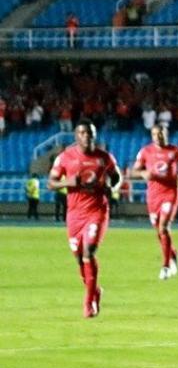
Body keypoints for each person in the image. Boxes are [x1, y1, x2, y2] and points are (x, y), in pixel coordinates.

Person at [47, 121, 121, 318]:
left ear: (94, 135)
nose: (86, 136)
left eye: (90, 132)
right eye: (82, 132)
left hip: (97, 211)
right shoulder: (65, 157)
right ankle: (95, 290)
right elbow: (50, 183)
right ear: (76, 136)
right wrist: (69, 182)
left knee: (89, 251)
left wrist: (112, 188)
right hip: (74, 214)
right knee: (79, 257)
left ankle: (89, 303)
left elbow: (117, 177)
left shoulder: (104, 158)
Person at [132, 125, 178, 279]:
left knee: (163, 226)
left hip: (169, 193)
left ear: (166, 134)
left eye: (160, 133)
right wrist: (143, 173)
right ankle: (173, 254)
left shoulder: (175, 150)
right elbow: (133, 170)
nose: (158, 136)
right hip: (153, 195)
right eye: (155, 134)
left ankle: (166, 265)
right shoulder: (145, 151)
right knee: (160, 231)